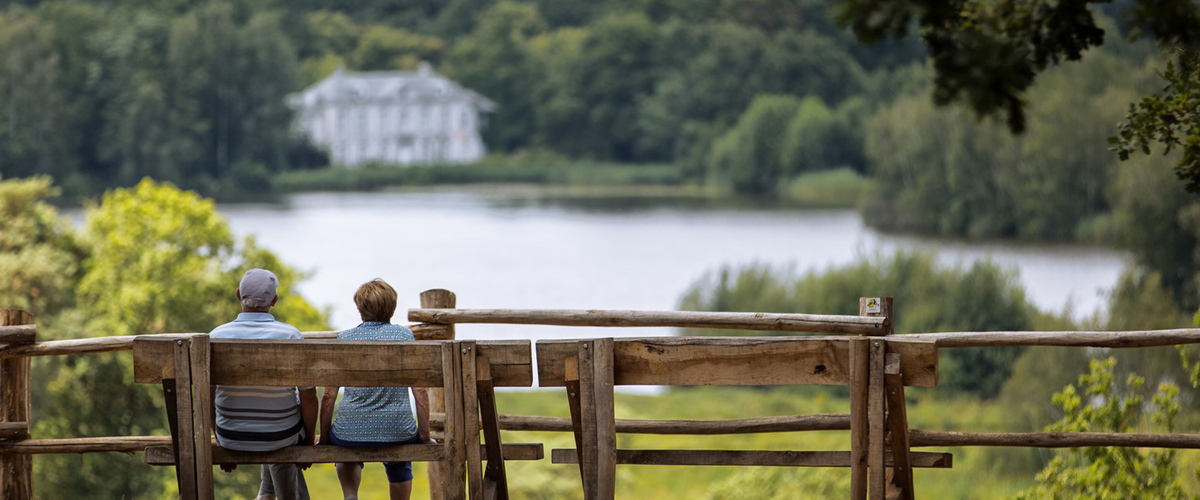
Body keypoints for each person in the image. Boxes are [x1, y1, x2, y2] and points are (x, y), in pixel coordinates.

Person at [210, 268, 318, 500]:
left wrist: (220, 439)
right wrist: (308, 442)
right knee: (284, 413)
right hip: (281, 435)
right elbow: (309, 398)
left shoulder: (216, 336)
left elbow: (205, 397)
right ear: (274, 301)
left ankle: (266, 493)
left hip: (231, 435)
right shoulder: (291, 336)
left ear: (238, 295)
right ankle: (271, 493)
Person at [320, 278, 431, 500]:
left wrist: (324, 437)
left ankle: (351, 495)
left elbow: (328, 394)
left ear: (360, 311)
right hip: (397, 430)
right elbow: (420, 392)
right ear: (392, 308)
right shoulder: (404, 337)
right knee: (399, 458)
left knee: (345, 450)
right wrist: (425, 436)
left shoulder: (345, 339)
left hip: (349, 431)